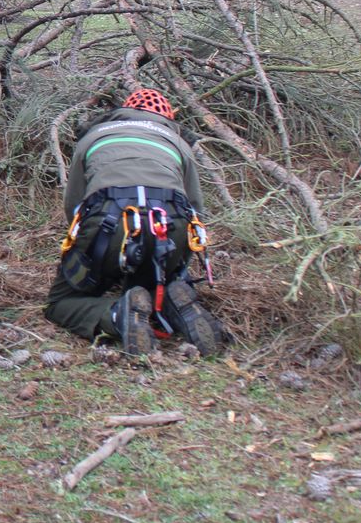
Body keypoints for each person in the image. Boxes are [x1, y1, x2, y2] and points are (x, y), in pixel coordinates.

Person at [45, 88, 226, 356]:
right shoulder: (178, 143)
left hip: (108, 224)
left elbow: (74, 207)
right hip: (170, 229)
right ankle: (172, 302)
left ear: (123, 110)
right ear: (167, 118)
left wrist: (88, 258)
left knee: (60, 302)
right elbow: (196, 212)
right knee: (157, 274)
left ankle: (118, 314)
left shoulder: (94, 136)